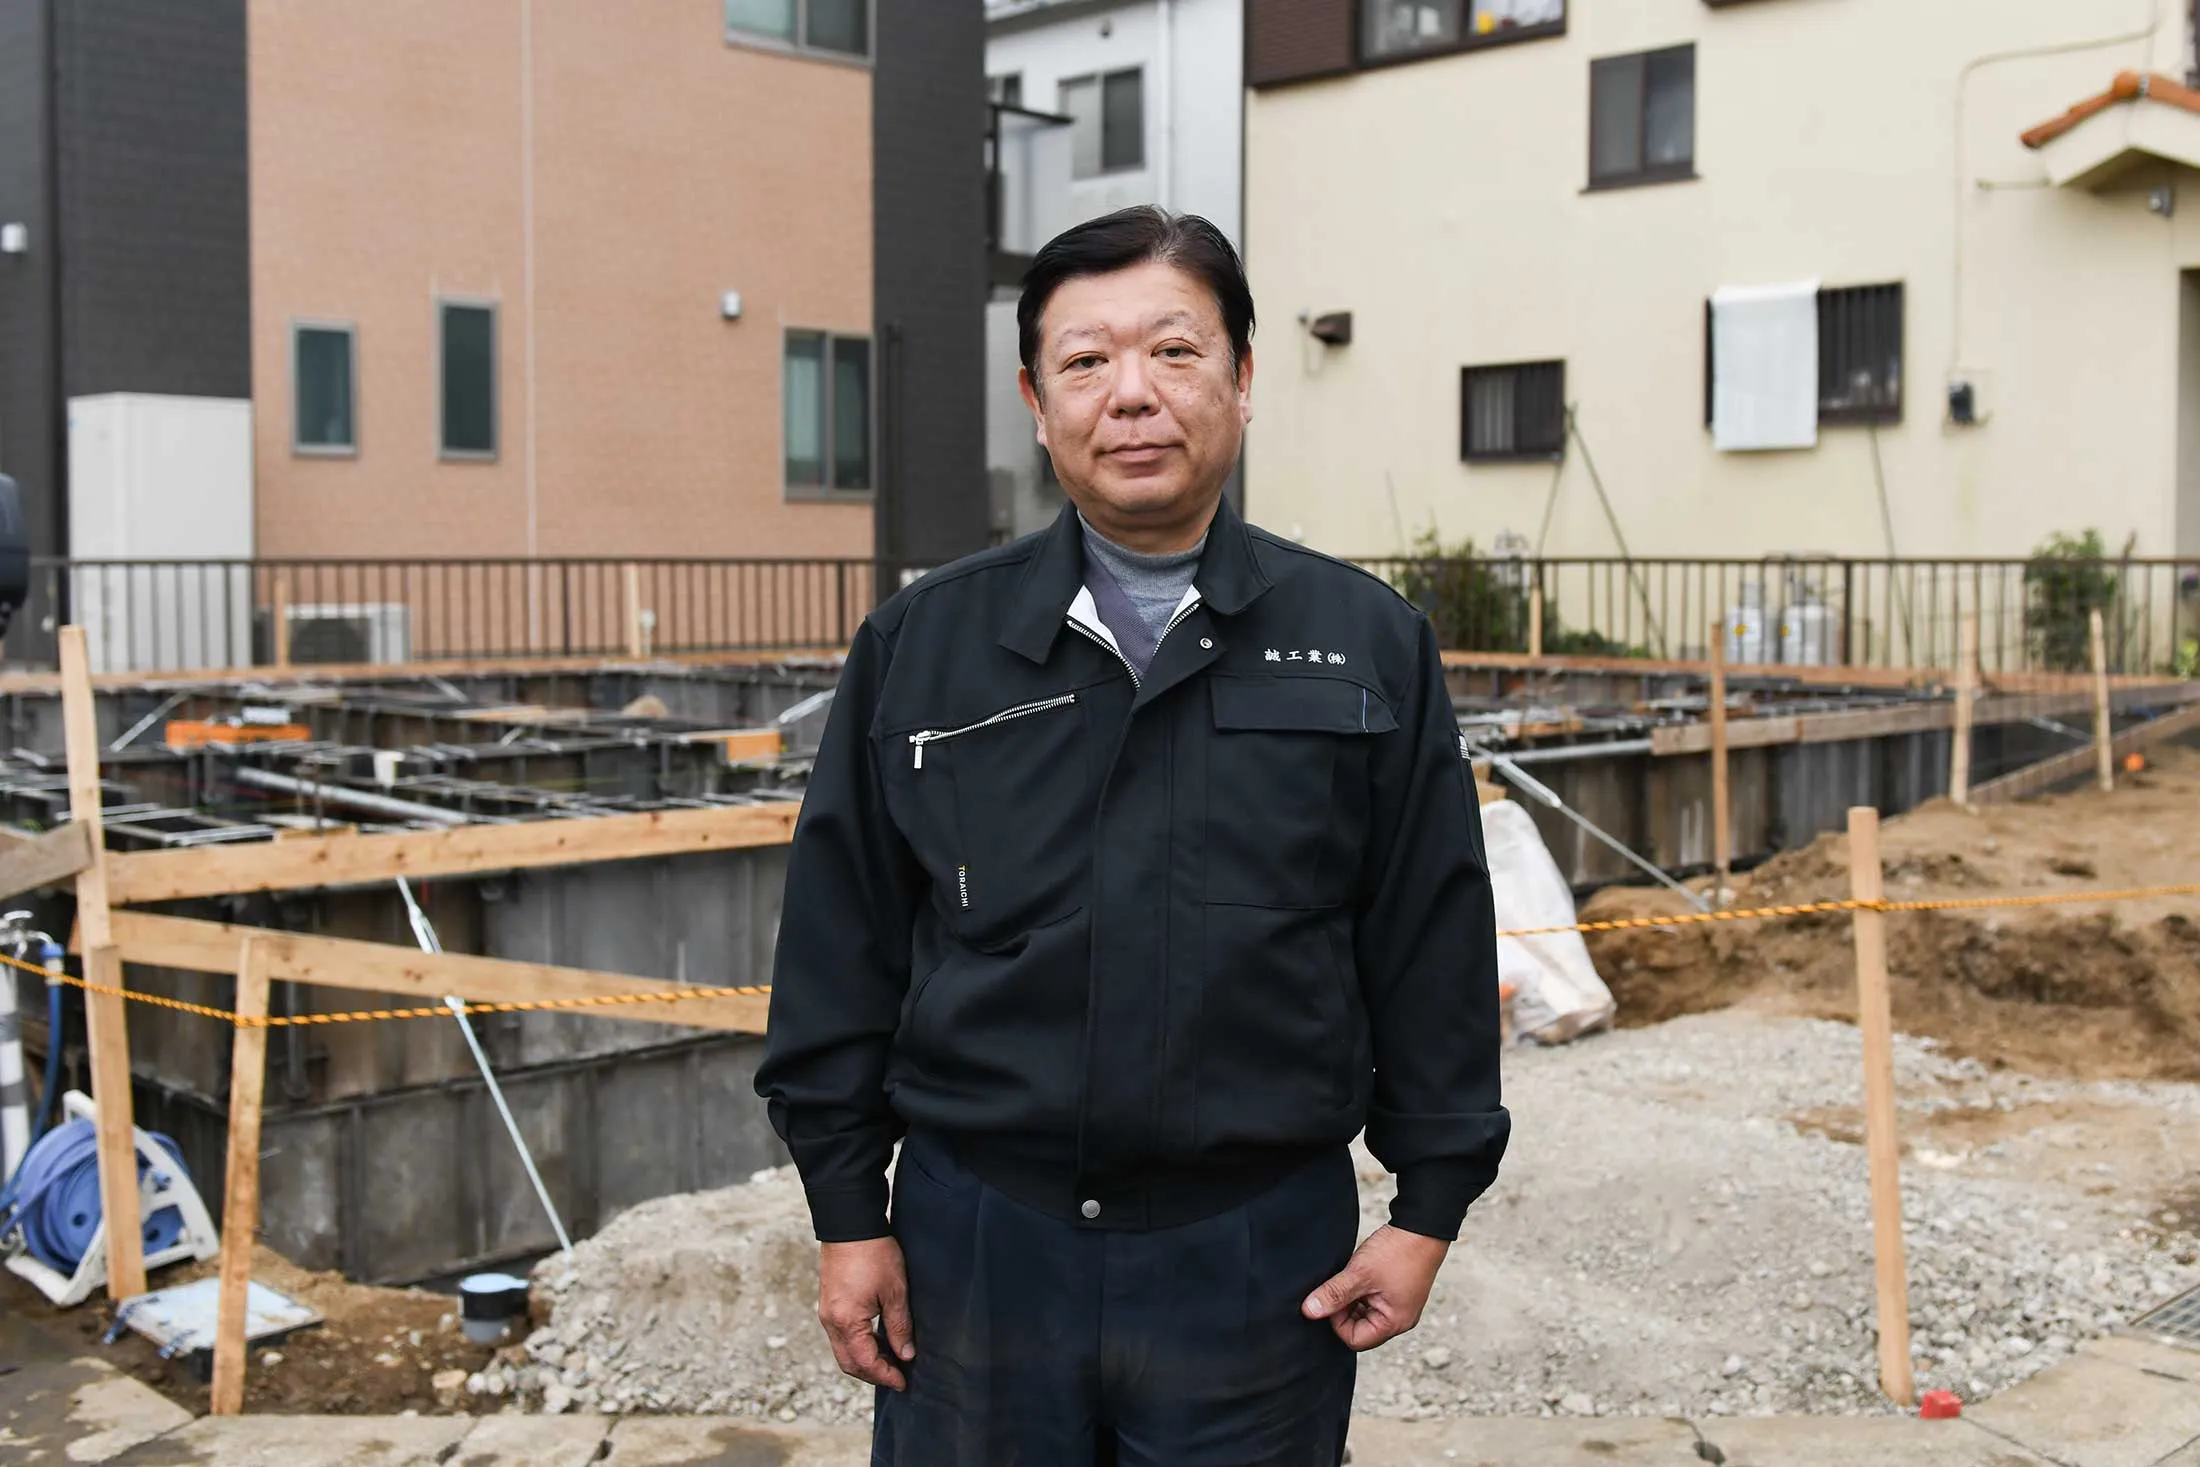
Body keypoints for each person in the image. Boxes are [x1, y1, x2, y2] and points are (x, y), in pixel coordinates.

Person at [755, 206, 1508, 1466]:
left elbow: (1427, 939)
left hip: (1257, 1254)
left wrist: (1428, 1206)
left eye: (1172, 351)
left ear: (1243, 378)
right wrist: (848, 1213)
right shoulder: (925, 648)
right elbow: (841, 952)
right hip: (979, 1244)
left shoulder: (1366, 643)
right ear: (1035, 401)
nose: (1133, 397)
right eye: (1086, 362)